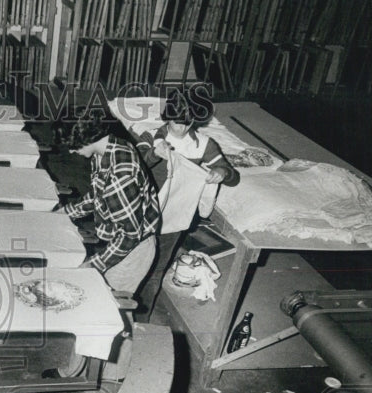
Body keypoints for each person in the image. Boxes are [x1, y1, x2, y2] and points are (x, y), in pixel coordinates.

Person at [133, 95, 240, 317]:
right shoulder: (150, 136)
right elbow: (134, 166)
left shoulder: (203, 145)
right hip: (141, 212)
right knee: (132, 265)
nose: (182, 128)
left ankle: (141, 319)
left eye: (188, 123)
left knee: (156, 269)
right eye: (176, 122)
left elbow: (233, 176)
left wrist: (221, 172)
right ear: (167, 118)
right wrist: (154, 154)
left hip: (174, 217)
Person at [56, 118, 161, 299]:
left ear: (87, 138)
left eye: (73, 146)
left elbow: (130, 235)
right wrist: (62, 214)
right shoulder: (109, 149)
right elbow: (98, 195)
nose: (72, 151)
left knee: (106, 301)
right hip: (122, 241)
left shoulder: (120, 174)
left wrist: (93, 264)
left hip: (133, 250)